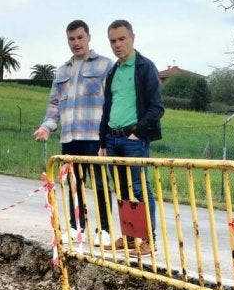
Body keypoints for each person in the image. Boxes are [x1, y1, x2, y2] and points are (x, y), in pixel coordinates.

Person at [34, 20, 113, 243]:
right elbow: (54, 105)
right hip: (70, 138)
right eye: (71, 39)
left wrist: (107, 136)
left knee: (100, 184)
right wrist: (46, 128)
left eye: (80, 38)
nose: (76, 43)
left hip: (95, 137)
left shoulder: (105, 65)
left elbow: (111, 102)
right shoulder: (62, 71)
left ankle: (104, 231)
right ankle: (76, 227)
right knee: (74, 185)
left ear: (88, 37)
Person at [99, 19, 164, 250]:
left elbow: (157, 107)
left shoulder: (145, 67)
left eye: (122, 39)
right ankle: (128, 237)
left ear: (132, 38)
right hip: (112, 139)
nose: (118, 45)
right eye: (113, 41)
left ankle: (149, 240)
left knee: (139, 189)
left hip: (133, 140)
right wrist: (103, 140)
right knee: (122, 190)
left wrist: (138, 132)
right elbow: (107, 108)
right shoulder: (113, 71)